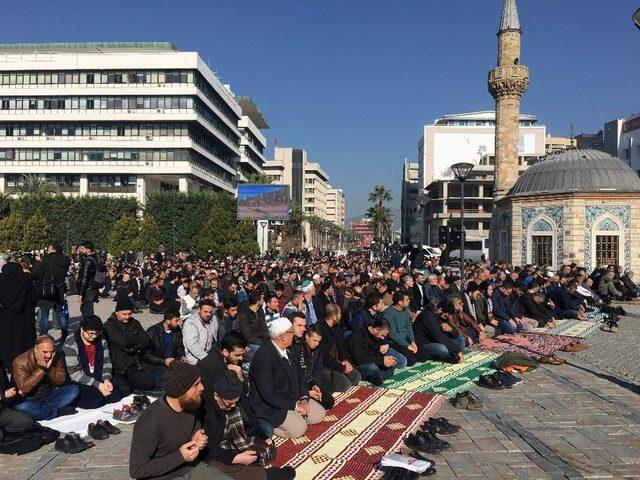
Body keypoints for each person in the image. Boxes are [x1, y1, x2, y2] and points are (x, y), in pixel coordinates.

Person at [129, 362, 231, 480]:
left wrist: (196, 436)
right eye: (196, 385)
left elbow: (192, 428)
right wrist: (180, 456)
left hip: (189, 468)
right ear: (180, 390)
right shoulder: (150, 421)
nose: (202, 387)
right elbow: (137, 470)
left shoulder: (191, 403)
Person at [203, 370, 296, 480]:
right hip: (218, 448)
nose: (233, 406)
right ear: (216, 396)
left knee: (268, 450)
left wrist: (263, 437)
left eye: (235, 402)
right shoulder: (205, 410)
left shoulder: (239, 400)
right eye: (228, 403)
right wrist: (235, 458)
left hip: (239, 438)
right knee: (223, 468)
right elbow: (208, 447)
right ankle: (267, 475)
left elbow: (251, 423)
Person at [248, 317, 325, 439]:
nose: (294, 334)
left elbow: (300, 376)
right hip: (271, 405)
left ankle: (294, 416)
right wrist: (295, 406)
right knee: (299, 429)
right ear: (283, 336)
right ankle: (269, 425)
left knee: (319, 414)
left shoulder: (289, 350)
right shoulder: (263, 357)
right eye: (291, 332)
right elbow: (268, 394)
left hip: (292, 398)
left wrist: (304, 398)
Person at [12, 335, 79, 421]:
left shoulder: (55, 356)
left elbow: (60, 381)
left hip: (49, 394)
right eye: (45, 352)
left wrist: (49, 368)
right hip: (29, 399)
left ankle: (45, 411)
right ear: (36, 350)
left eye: (52, 351)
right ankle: (57, 412)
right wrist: (41, 369)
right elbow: (24, 388)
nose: (49, 355)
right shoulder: (20, 362)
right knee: (21, 407)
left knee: (73, 390)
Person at [63, 314, 122, 409]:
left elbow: (106, 360)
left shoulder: (101, 338)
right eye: (91, 333)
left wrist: (106, 379)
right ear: (82, 329)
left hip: (99, 374)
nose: (94, 336)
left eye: (96, 333)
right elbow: (74, 373)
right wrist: (97, 385)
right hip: (81, 378)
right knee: (93, 400)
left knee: (117, 394)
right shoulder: (71, 344)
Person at [103, 298, 156, 396]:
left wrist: (133, 349)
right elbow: (123, 342)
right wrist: (136, 338)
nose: (127, 317)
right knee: (124, 390)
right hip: (118, 368)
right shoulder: (109, 326)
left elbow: (146, 339)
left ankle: (128, 385)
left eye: (129, 314)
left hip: (133, 365)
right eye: (124, 314)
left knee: (150, 383)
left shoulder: (134, 323)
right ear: (117, 312)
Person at [289, 316, 334, 411]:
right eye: (299, 325)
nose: (317, 344)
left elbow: (315, 369)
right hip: (296, 388)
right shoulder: (298, 348)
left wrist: (314, 385)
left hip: (308, 382)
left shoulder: (315, 348)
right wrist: (307, 393)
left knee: (329, 396)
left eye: (304, 325)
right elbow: (299, 373)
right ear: (307, 337)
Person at [0, 262, 37, 370]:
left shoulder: (2, 285)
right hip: (25, 325)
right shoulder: (27, 284)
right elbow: (35, 300)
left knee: (6, 349)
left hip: (5, 326)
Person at [317, 303, 361, 392]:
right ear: (334, 316)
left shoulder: (335, 327)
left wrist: (345, 360)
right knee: (345, 385)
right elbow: (324, 357)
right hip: (326, 366)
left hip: (338, 362)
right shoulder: (320, 330)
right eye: (339, 314)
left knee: (356, 376)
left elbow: (342, 345)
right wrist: (342, 368)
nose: (341, 316)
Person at [32, 244, 71, 344]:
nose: (47, 250)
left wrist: (38, 262)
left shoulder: (46, 260)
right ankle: (64, 333)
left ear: (53, 249)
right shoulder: (65, 260)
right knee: (61, 314)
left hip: (47, 289)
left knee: (44, 315)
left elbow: (36, 274)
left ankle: (43, 336)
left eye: (49, 248)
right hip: (60, 289)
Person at [348, 317, 398, 386]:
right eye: (382, 335)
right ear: (375, 329)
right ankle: (377, 377)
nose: (382, 338)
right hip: (358, 365)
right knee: (373, 368)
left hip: (372, 360)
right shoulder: (357, 336)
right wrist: (381, 360)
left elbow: (376, 353)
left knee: (393, 362)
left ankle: (376, 378)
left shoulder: (377, 336)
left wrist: (385, 358)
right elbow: (359, 359)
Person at [143, 308, 187, 387]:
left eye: (179, 320)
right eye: (176, 321)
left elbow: (179, 347)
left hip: (173, 362)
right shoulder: (152, 332)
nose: (178, 323)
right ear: (167, 321)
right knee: (164, 384)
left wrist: (182, 355)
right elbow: (146, 354)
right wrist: (164, 361)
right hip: (157, 364)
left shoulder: (177, 331)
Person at [382, 290, 424, 366]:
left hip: (405, 339)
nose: (409, 301)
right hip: (395, 342)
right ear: (400, 302)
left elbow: (408, 326)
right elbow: (392, 334)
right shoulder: (388, 314)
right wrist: (407, 346)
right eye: (407, 300)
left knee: (422, 355)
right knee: (411, 360)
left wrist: (412, 342)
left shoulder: (405, 311)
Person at [0, 360, 34, 444]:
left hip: (2, 409)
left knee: (26, 421)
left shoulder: (1, 364)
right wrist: (2, 395)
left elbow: (6, 386)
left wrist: (16, 392)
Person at [183, 300, 220, 365]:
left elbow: (215, 338)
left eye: (210, 312)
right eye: (205, 311)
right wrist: (207, 358)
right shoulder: (191, 322)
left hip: (210, 353)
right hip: (195, 358)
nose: (208, 314)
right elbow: (192, 344)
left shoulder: (213, 318)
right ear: (199, 310)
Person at [238, 292, 269, 356]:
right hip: (250, 343)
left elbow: (264, 328)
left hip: (261, 340)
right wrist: (262, 344)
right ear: (258, 301)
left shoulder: (260, 311)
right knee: (263, 351)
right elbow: (248, 335)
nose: (263, 301)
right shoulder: (244, 314)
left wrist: (267, 342)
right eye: (262, 299)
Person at [77, 241, 98, 318]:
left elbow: (84, 279)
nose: (81, 251)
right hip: (93, 288)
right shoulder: (95, 258)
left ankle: (90, 327)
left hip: (88, 290)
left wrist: (81, 294)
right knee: (85, 309)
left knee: (88, 311)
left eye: (82, 249)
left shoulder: (88, 261)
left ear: (88, 249)